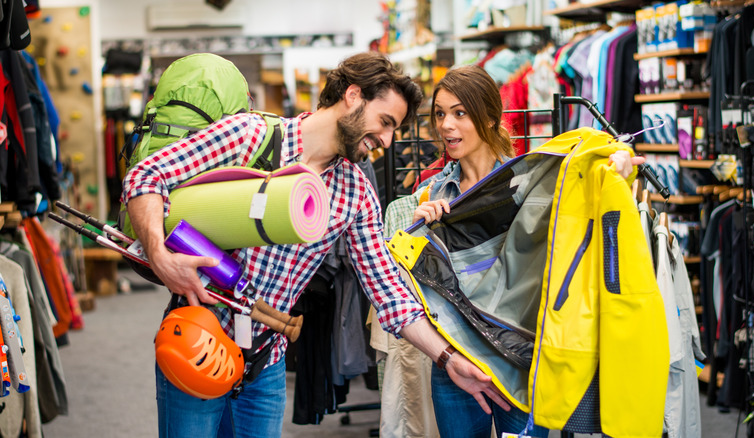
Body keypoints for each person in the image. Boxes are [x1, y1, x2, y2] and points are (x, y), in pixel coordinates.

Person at [121, 52, 512, 438]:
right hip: (197, 340)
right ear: (354, 96)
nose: (387, 141)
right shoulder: (249, 135)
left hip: (265, 363)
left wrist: (447, 358)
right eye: (385, 122)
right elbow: (145, 177)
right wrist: (158, 253)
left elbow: (390, 293)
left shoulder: (354, 190)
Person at [384, 64, 644, 438]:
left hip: (522, 358)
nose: (446, 125)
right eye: (440, 114)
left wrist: (617, 170)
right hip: (457, 363)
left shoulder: (531, 185)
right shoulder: (430, 195)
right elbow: (400, 289)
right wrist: (419, 229)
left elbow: (586, 206)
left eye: (460, 113)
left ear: (490, 117)